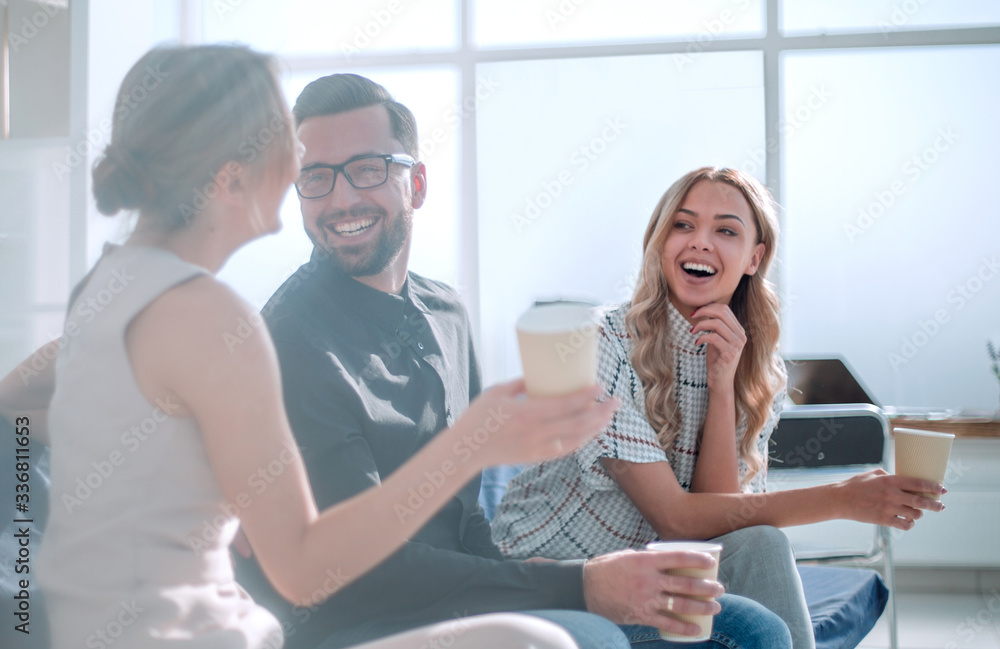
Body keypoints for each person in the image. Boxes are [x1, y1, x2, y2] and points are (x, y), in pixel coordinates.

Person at [0, 44, 623, 649]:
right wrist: (472, 445)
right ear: (230, 172)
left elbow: (38, 408)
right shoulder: (214, 319)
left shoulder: (106, 288)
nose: (309, 165)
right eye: (291, 145)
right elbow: (303, 569)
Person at [233, 74, 792, 649]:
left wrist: (551, 583)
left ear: (416, 183)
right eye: (316, 178)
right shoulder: (290, 344)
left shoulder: (444, 312)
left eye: (369, 169)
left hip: (463, 598)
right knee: (592, 636)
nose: (342, 198)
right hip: (365, 626)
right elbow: (355, 576)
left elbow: (465, 521)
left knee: (752, 629)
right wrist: (577, 587)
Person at [491, 166, 948, 649]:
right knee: (755, 618)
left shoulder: (756, 366)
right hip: (554, 580)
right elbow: (677, 518)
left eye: (725, 230)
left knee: (762, 543)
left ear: (755, 257)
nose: (700, 243)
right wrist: (840, 499)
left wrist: (723, 385)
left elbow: (725, 530)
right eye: (683, 225)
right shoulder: (600, 341)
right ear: (659, 241)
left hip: (648, 577)